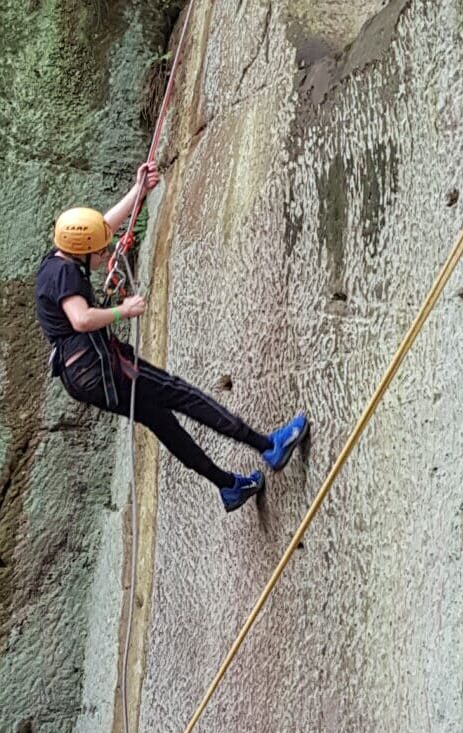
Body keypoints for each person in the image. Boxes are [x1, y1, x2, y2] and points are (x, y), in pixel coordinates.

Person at [37, 162, 310, 513]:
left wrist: (138, 192)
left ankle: (228, 486)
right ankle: (268, 445)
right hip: (102, 367)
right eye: (100, 250)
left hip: (83, 377)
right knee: (182, 395)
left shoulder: (58, 259)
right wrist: (125, 310)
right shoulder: (65, 275)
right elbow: (82, 318)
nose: (107, 252)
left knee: (163, 422)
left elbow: (102, 228)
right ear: (82, 249)